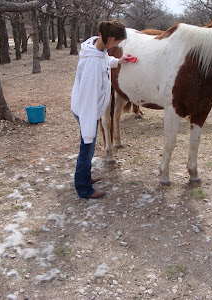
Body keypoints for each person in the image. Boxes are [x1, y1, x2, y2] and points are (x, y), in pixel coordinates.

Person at [71, 19, 130, 199]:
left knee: (87, 149)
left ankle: (85, 178)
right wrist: (89, 130)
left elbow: (103, 60)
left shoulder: (98, 48)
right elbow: (88, 100)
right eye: (118, 43)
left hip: (88, 108)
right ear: (111, 38)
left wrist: (118, 61)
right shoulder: (92, 66)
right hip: (86, 110)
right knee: (86, 148)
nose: (118, 45)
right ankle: (83, 189)